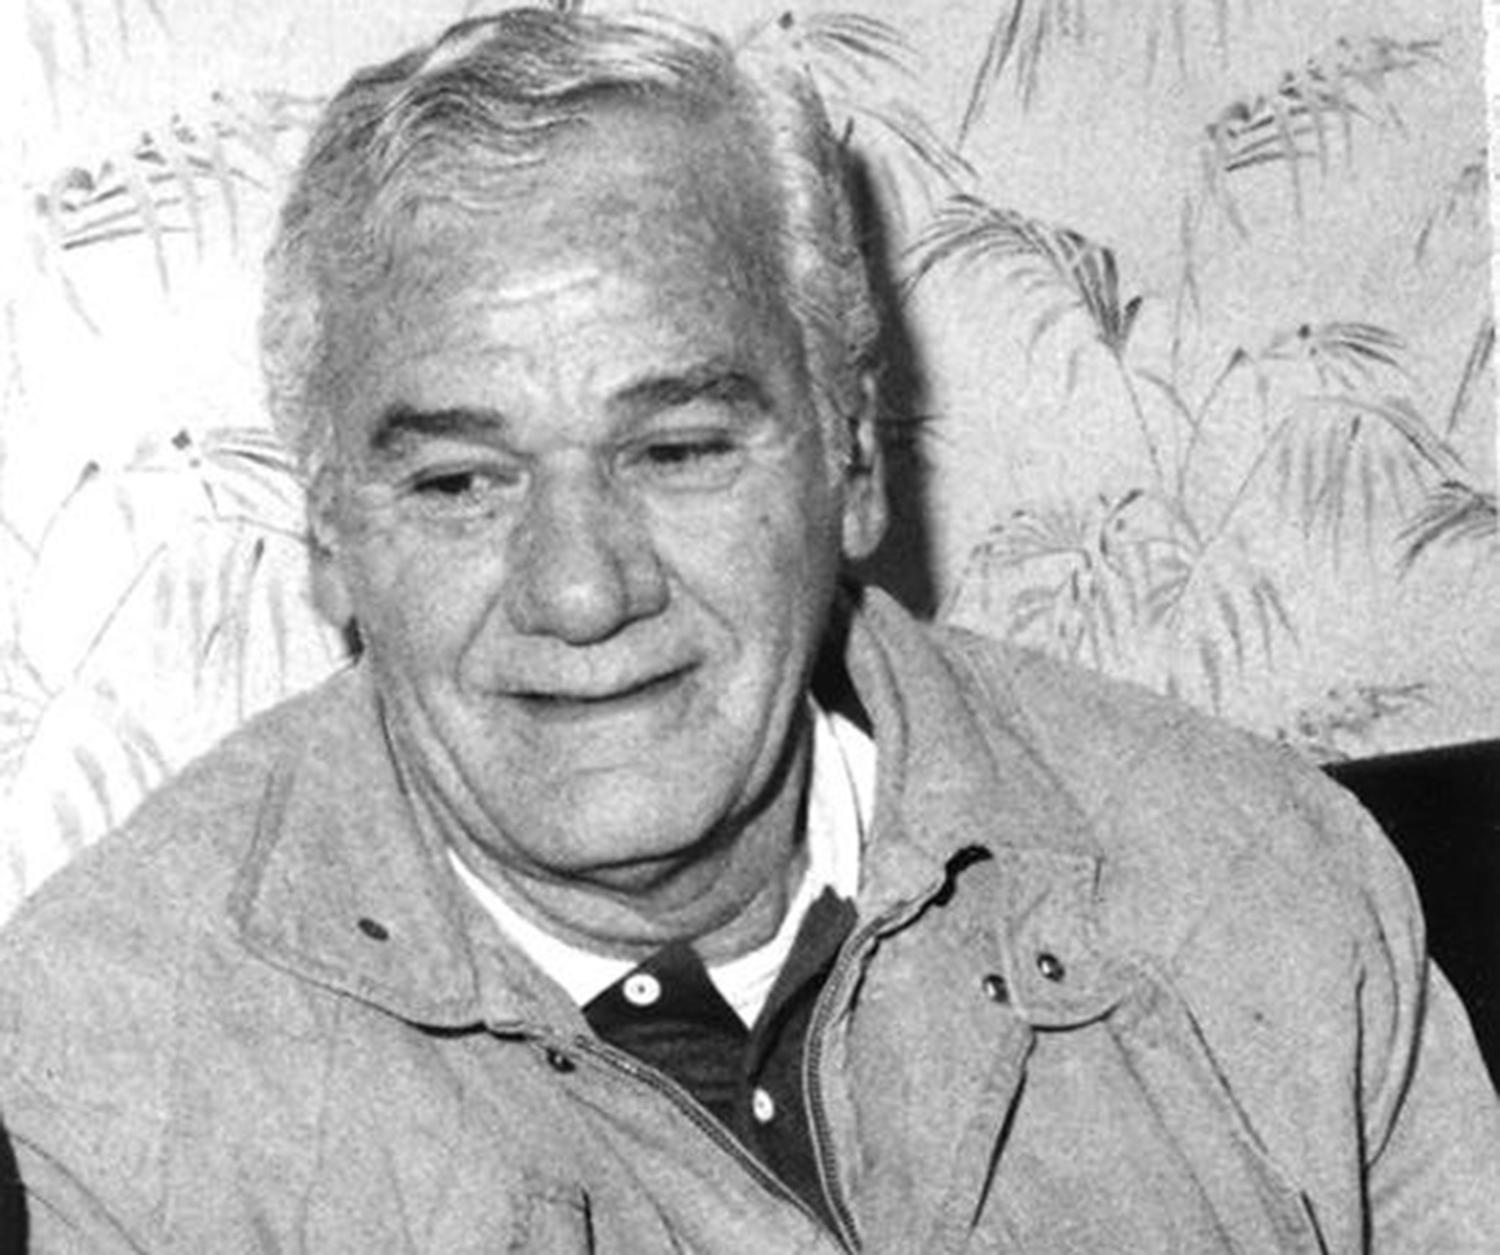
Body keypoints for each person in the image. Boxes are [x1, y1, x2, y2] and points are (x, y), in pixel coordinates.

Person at [1, 6, 1496, 1250]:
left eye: (678, 450)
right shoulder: (108, 1084)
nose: (582, 592)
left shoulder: (1259, 882)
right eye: (458, 481)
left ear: (853, 461)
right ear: (330, 535)